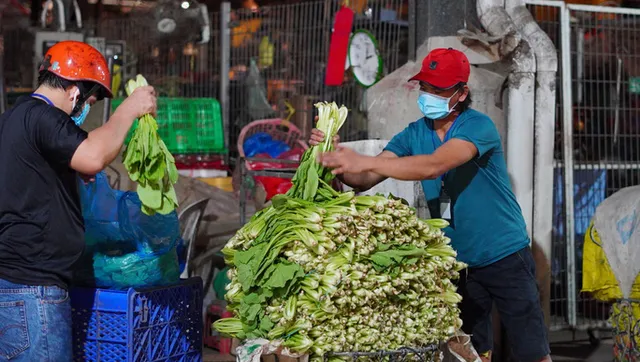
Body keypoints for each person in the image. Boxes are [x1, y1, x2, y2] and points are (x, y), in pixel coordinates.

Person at [310, 48, 552, 362]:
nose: (429, 95)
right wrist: (334, 154)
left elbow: (434, 165)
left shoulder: (477, 127)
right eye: (426, 87)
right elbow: (365, 178)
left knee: (531, 350)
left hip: (504, 253)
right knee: (473, 350)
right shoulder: (414, 133)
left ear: (462, 93)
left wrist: (363, 160)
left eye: (439, 89)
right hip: (460, 262)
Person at [0, 41, 156, 361]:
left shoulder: (14, 118)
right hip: (34, 289)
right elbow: (94, 156)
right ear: (74, 92)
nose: (89, 106)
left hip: (15, 283)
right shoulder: (43, 116)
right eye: (92, 98)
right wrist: (129, 109)